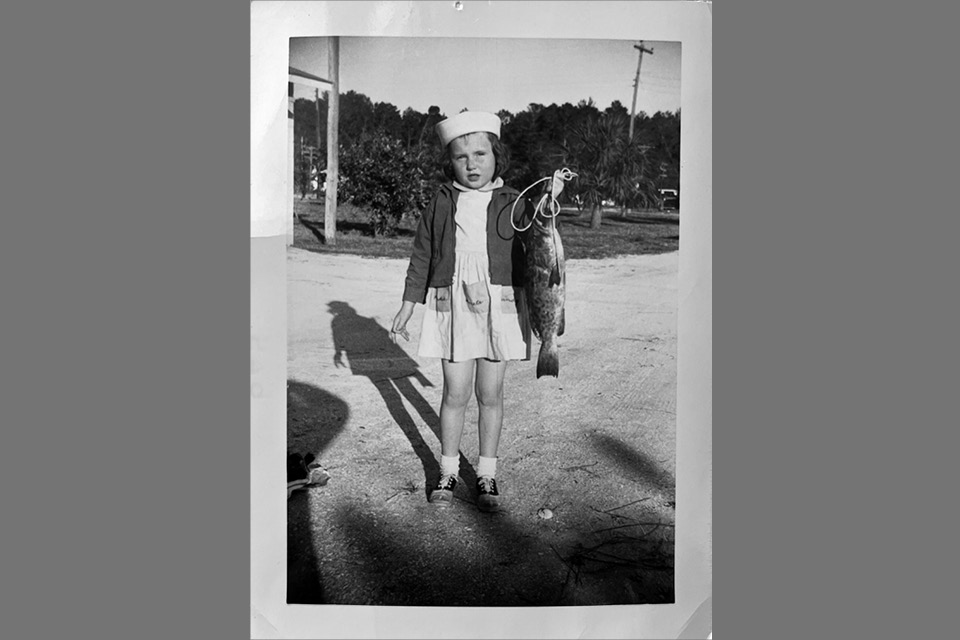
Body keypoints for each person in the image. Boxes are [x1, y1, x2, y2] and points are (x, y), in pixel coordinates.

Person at [392, 111, 531, 513]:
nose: (472, 164)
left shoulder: (514, 201)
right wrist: (407, 306)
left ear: (496, 156)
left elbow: (540, 241)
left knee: (490, 393)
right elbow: (422, 255)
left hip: (499, 302)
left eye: (481, 154)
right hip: (450, 301)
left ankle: (487, 472)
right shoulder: (440, 200)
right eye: (461, 156)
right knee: (455, 393)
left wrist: (551, 198)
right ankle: (448, 468)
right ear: (449, 162)